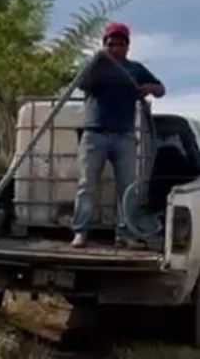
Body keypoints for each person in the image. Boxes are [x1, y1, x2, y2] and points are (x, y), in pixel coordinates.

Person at [70, 21, 166, 248]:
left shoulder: (135, 69)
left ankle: (125, 233)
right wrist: (96, 62)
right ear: (105, 44)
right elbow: (80, 83)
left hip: (124, 135)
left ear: (127, 46)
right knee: (87, 184)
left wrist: (148, 89)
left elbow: (161, 89)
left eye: (121, 43)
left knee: (128, 187)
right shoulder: (95, 65)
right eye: (111, 43)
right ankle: (81, 232)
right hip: (95, 133)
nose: (116, 47)